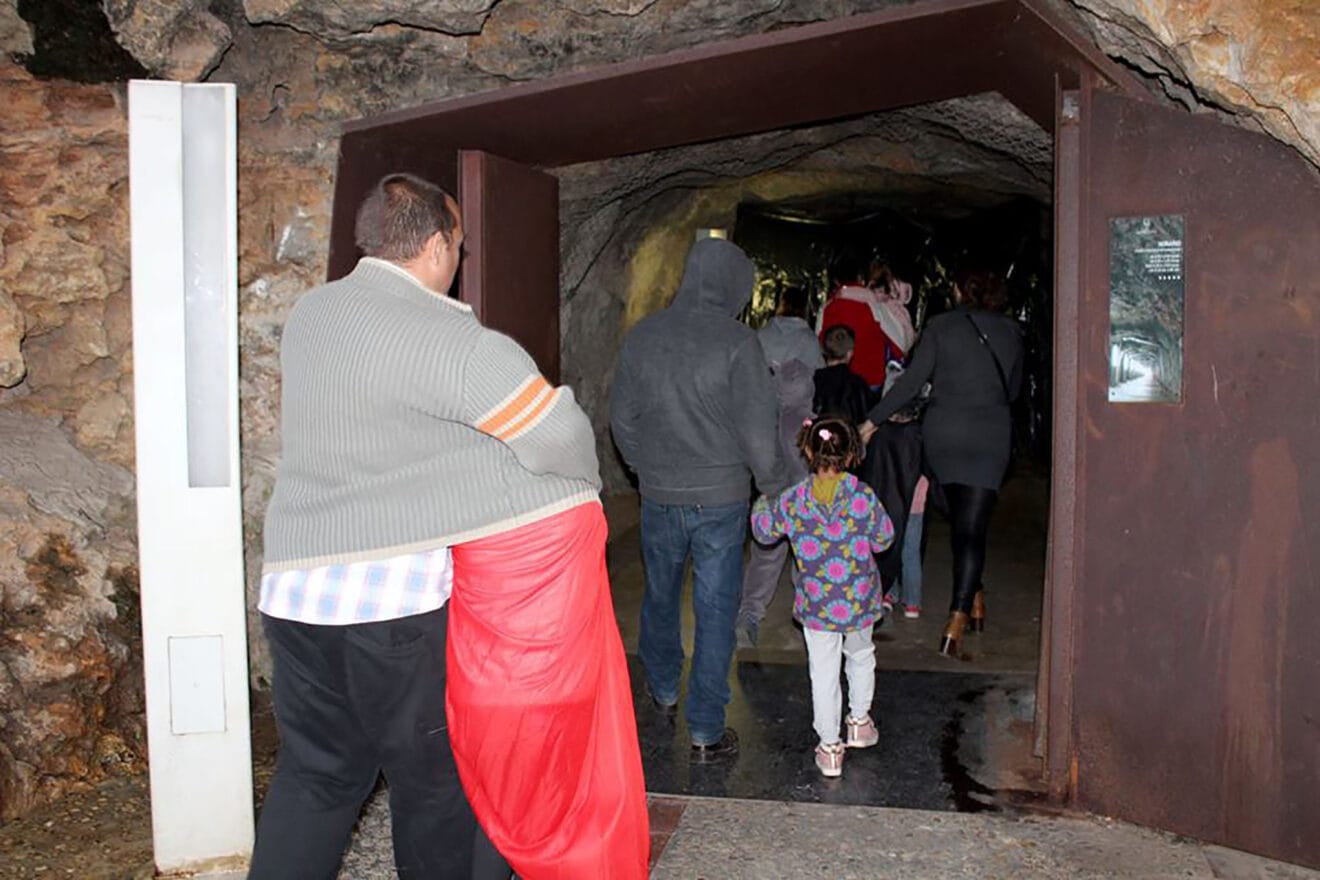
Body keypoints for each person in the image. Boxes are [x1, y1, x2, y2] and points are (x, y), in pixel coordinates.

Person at [256, 173, 648, 880]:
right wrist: (576, 489)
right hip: (391, 606)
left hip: (294, 595)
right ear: (438, 245)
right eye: (459, 246)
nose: (460, 262)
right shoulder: (454, 341)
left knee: (316, 780)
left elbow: (387, 437)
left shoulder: (312, 314)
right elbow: (557, 435)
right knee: (434, 788)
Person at [610, 236, 785, 761]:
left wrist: (646, 468)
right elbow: (758, 432)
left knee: (660, 596)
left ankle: (663, 688)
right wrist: (772, 484)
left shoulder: (643, 337)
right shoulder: (737, 343)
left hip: (661, 494)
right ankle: (707, 727)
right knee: (714, 611)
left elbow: (621, 419)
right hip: (722, 498)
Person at [860, 266, 1024, 657]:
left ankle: (965, 606)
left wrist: (872, 421)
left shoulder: (940, 326)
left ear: (960, 290)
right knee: (972, 528)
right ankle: (963, 608)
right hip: (990, 435)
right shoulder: (1013, 332)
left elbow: (913, 382)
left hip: (945, 435)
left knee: (958, 519)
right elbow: (1014, 390)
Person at [750, 417, 895, 777]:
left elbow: (765, 533)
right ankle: (859, 723)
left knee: (824, 671)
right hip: (859, 599)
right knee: (861, 655)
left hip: (817, 604)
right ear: (851, 455)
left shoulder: (794, 499)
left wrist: (760, 505)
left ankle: (830, 747)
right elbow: (885, 538)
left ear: (809, 450)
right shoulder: (863, 497)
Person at [735, 357, 816, 648]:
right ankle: (809, 623)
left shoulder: (767, 421)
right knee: (806, 565)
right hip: (806, 506)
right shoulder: (812, 424)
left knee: (764, 560)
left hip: (773, 500)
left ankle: (749, 617)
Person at [816, 249, 903, 388]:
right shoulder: (875, 306)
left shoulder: (827, 308)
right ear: (860, 277)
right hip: (870, 383)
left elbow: (818, 347)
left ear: (836, 280)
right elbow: (900, 343)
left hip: (837, 384)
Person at [813, 324, 873, 427]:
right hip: (848, 438)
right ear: (850, 353)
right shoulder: (858, 385)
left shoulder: (813, 380)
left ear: (823, 350)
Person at [758, 286, 825, 371]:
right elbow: (819, 371)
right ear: (804, 308)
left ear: (782, 303)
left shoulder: (762, 334)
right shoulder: (810, 340)